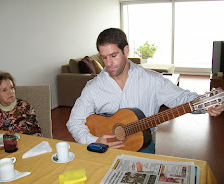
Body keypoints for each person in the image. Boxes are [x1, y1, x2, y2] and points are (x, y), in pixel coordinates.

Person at [67, 28, 224, 154]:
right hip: (104, 148)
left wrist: (205, 105)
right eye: (104, 58)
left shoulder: (152, 80)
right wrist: (92, 140)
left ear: (126, 50)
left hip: (141, 145)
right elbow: (74, 121)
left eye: (113, 55)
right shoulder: (93, 87)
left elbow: (181, 98)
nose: (109, 63)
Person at [0, 71, 42, 136]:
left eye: (12, 87)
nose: (11, 92)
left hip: (22, 144)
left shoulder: (25, 107)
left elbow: (37, 133)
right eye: (4, 90)